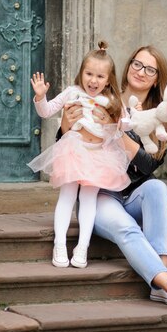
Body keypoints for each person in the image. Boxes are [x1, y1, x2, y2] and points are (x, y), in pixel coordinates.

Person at [59, 45, 167, 316]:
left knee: (157, 187)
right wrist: (66, 126)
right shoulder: (102, 94)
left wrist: (118, 131)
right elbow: (65, 147)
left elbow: (149, 164)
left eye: (150, 69)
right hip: (99, 194)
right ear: (127, 67)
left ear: (157, 80)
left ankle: (159, 286)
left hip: (135, 195)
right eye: (137, 64)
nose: (141, 72)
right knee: (127, 228)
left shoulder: (160, 115)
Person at [28, 41, 130, 269]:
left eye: (100, 76)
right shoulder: (72, 92)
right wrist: (40, 97)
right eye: (89, 73)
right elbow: (46, 112)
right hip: (74, 147)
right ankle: (60, 243)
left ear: (109, 79)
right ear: (81, 73)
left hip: (100, 155)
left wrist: (121, 120)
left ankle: (82, 246)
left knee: (88, 199)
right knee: (67, 195)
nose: (93, 81)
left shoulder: (113, 100)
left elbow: (122, 129)